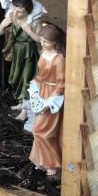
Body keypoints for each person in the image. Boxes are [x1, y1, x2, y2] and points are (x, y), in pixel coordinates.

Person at [28, 22, 66, 177]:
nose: (43, 44)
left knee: (44, 132)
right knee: (37, 129)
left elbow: (61, 82)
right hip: (42, 90)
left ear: (55, 42)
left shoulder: (59, 59)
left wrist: (51, 100)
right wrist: (35, 85)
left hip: (52, 95)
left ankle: (54, 164)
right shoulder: (44, 52)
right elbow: (40, 74)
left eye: (46, 41)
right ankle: (42, 160)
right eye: (42, 40)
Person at [0, 0, 44, 112]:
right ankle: (21, 102)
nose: (16, 13)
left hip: (28, 52)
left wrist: (28, 30)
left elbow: (39, 39)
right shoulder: (12, 17)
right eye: (14, 9)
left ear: (28, 11)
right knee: (15, 78)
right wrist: (3, 24)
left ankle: (25, 110)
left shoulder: (34, 21)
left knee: (26, 78)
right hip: (16, 51)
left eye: (20, 12)